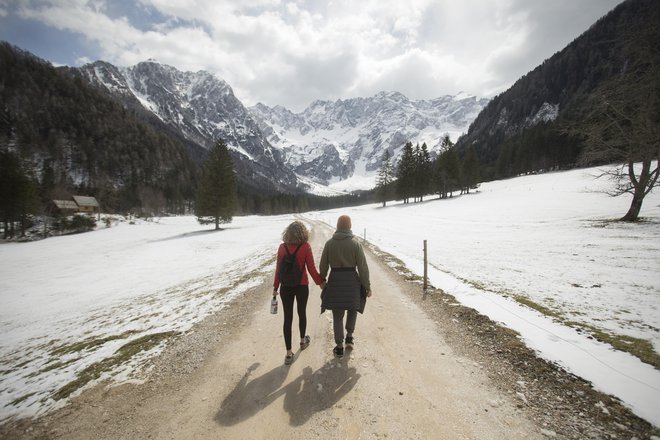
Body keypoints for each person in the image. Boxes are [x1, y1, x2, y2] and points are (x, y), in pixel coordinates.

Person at [273, 220, 325, 365]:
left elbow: (278, 270)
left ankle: (288, 353)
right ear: (303, 233)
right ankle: (302, 341)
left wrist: (275, 287)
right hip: (301, 286)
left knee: (287, 318)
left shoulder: (282, 247)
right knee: (302, 313)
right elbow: (312, 269)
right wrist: (321, 282)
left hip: (285, 287)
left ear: (287, 233)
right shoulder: (305, 247)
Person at [319, 215, 371, 358]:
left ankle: (339, 345)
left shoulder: (329, 244)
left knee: (337, 314)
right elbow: (363, 268)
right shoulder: (356, 244)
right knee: (353, 308)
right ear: (349, 226)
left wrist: (322, 280)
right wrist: (367, 286)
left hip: (335, 281)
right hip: (352, 282)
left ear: (337, 225)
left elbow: (323, 265)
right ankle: (349, 336)